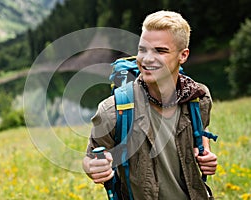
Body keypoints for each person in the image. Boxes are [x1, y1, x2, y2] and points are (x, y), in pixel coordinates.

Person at [82, 10, 217, 199]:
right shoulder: (112, 110)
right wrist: (94, 167)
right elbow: (90, 158)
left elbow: (201, 131)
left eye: (160, 51)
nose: (146, 59)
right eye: (142, 49)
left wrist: (206, 153)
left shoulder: (199, 98)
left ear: (183, 55)